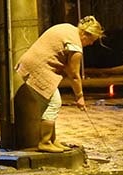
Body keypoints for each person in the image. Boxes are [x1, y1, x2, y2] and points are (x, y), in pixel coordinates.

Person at [15, 16, 105, 153]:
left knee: (47, 105)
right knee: (54, 103)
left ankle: (52, 140)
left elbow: (67, 67)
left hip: (29, 64)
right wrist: (80, 97)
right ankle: (45, 142)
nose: (91, 44)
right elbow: (74, 75)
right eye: (91, 40)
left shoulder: (68, 28)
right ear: (85, 34)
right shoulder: (75, 46)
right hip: (38, 68)